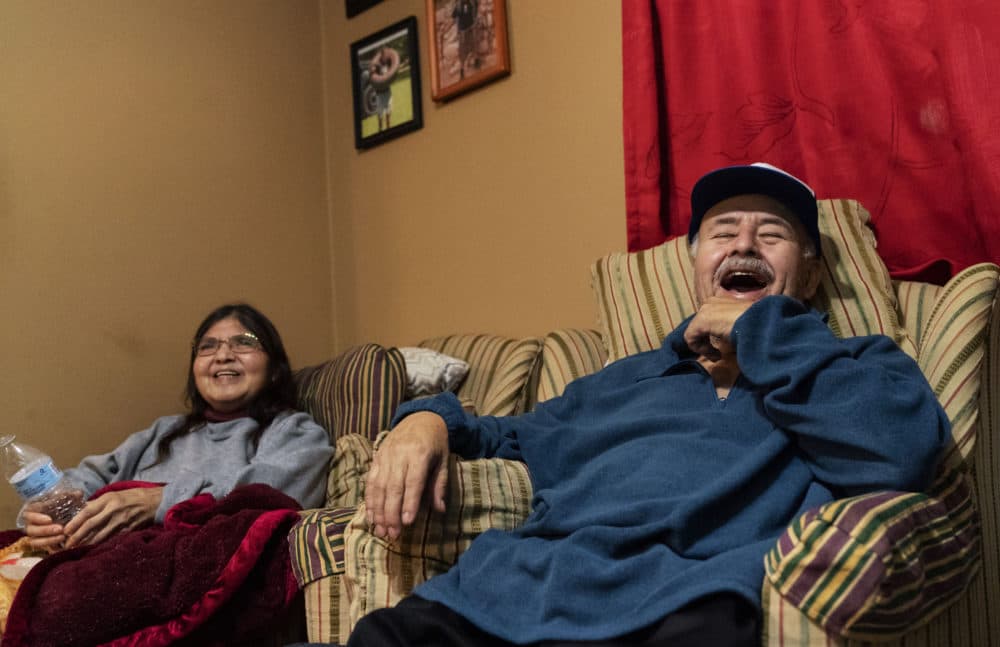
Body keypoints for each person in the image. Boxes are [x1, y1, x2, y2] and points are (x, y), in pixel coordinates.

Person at [353, 163, 950, 646]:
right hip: (504, 596)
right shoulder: (622, 379)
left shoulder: (855, 364)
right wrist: (425, 419)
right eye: (722, 233)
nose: (744, 244)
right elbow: (504, 437)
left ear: (812, 274)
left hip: (688, 606)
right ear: (697, 265)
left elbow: (900, 454)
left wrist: (762, 335)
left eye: (771, 234)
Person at [22, 303, 333, 552]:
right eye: (208, 347)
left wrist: (160, 501)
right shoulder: (164, 432)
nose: (223, 355)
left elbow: (267, 495)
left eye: (244, 343)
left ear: (275, 369)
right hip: (106, 553)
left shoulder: (294, 431)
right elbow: (90, 477)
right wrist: (45, 512)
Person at [452, 0, 478, 79]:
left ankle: (476, 61)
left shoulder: (471, 2)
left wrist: (474, 21)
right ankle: (462, 70)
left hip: (470, 28)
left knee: (473, 45)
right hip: (463, 30)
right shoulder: (459, 5)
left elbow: (475, 10)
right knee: (462, 50)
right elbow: (454, 15)